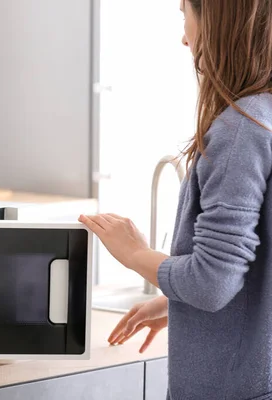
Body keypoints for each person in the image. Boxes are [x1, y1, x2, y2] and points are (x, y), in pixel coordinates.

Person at [79, 1, 272, 398]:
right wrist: (175, 304)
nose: (185, 38)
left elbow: (210, 284)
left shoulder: (240, 131)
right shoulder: (264, 115)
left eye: (187, 17)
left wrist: (133, 252)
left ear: (221, 24)